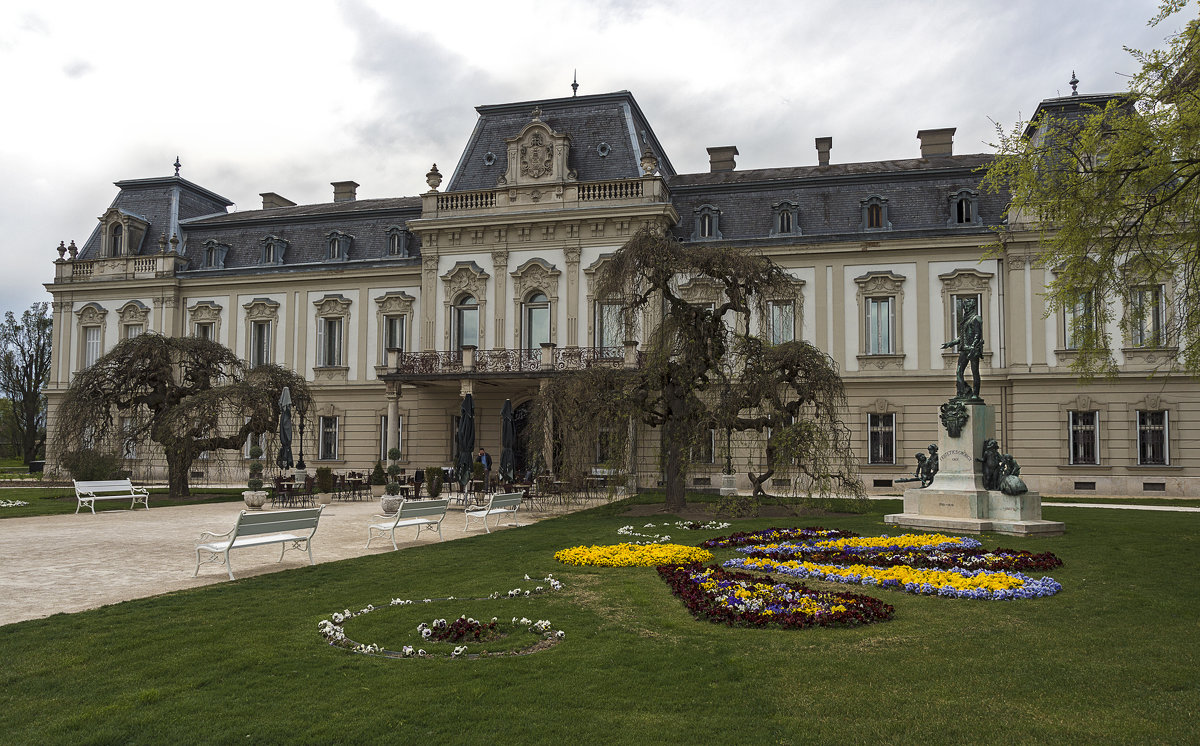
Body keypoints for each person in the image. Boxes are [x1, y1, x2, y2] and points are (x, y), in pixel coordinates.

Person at [941, 296, 984, 401]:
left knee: (975, 372)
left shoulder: (976, 318)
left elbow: (978, 335)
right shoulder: (966, 320)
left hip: (973, 350)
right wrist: (951, 343)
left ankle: (975, 394)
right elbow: (963, 337)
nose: (965, 308)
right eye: (964, 306)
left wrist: (973, 347)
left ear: (972, 306)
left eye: (966, 305)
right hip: (964, 349)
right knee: (959, 371)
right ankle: (960, 393)